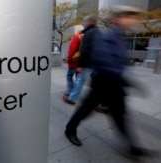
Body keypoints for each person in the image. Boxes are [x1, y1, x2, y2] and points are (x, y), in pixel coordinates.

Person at [65, 5, 151, 157]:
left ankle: (132, 147)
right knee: (85, 110)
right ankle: (70, 129)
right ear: (117, 19)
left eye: (132, 17)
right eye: (128, 16)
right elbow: (103, 62)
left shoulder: (120, 38)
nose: (132, 20)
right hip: (104, 83)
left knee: (119, 116)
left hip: (115, 85)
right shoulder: (107, 38)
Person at [63, 15, 98, 105]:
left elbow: (73, 50)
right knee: (84, 80)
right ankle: (102, 104)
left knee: (72, 78)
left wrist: (70, 61)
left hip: (80, 63)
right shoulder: (95, 33)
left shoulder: (79, 36)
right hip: (93, 63)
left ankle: (72, 96)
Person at [63, 25, 84, 105]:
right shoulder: (84, 37)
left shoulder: (76, 37)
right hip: (80, 63)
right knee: (77, 78)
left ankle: (70, 92)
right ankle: (74, 93)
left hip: (74, 62)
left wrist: (68, 60)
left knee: (69, 76)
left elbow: (72, 50)